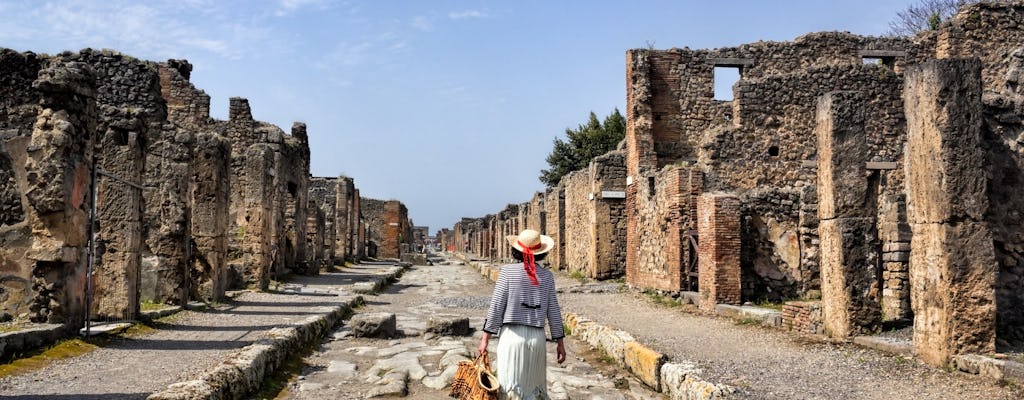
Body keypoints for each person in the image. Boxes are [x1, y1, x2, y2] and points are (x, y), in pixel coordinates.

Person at [478, 229, 566, 400]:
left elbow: (496, 306)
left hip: (512, 337)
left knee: (510, 390)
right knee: (534, 390)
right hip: (537, 339)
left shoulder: (507, 272)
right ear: (541, 252)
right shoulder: (547, 277)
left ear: (517, 250)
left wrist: (485, 340)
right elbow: (553, 311)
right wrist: (560, 343)